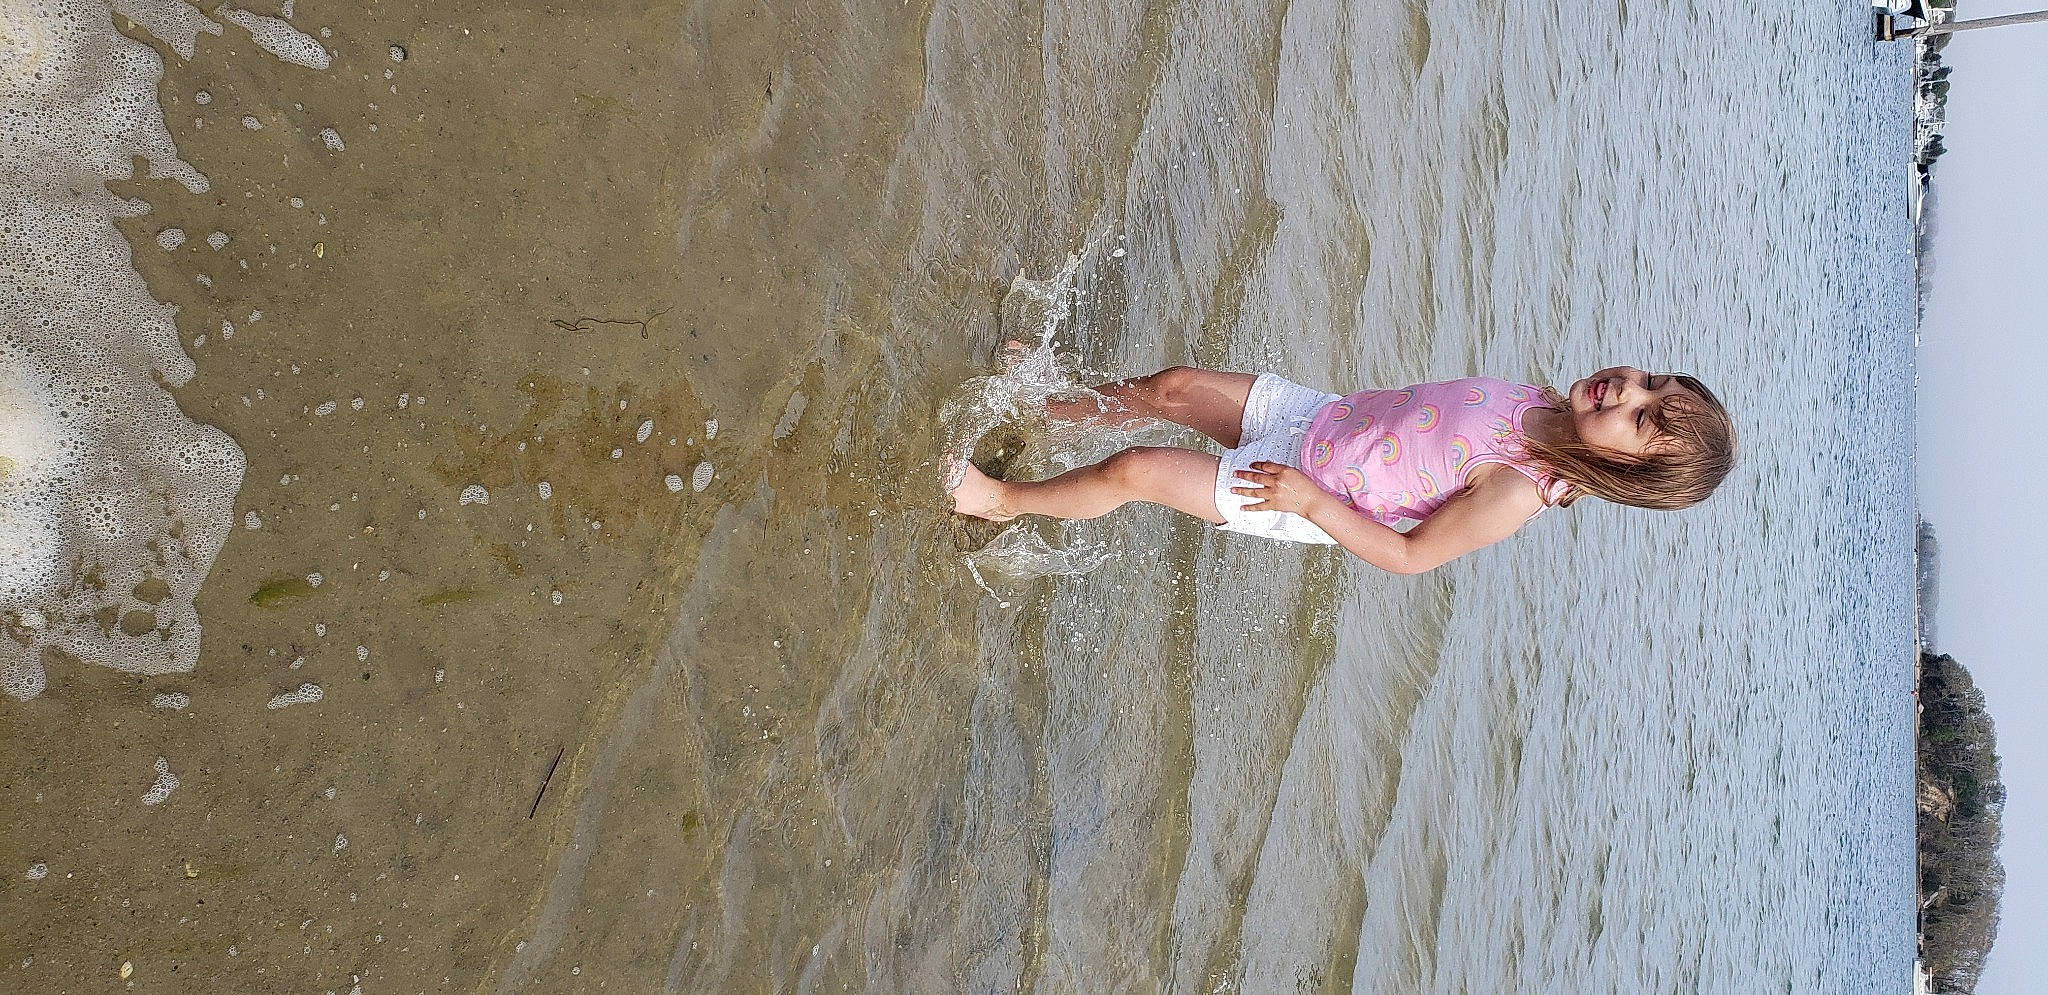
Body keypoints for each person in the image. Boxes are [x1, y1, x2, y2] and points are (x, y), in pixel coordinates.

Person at [947, 356, 1735, 574]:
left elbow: (1409, 557)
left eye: (1641, 417)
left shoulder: (1518, 492)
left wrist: (1310, 500)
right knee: (1173, 388)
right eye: (1650, 380)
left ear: (1627, 474)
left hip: (1304, 493)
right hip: (1315, 418)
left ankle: (1002, 500)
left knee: (1137, 470)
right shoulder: (1540, 400)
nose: (1628, 388)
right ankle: (1045, 408)